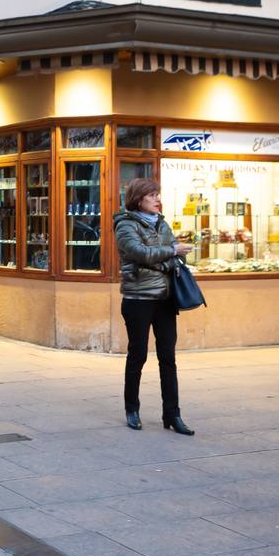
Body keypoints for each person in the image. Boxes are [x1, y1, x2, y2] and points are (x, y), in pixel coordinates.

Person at [114, 178, 195, 436]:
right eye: (152, 195)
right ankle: (132, 409)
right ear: (139, 199)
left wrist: (167, 255)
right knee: (137, 355)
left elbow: (173, 259)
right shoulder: (125, 225)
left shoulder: (162, 223)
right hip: (138, 299)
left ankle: (173, 414)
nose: (157, 199)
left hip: (165, 299)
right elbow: (139, 253)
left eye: (158, 194)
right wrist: (170, 251)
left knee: (168, 358)